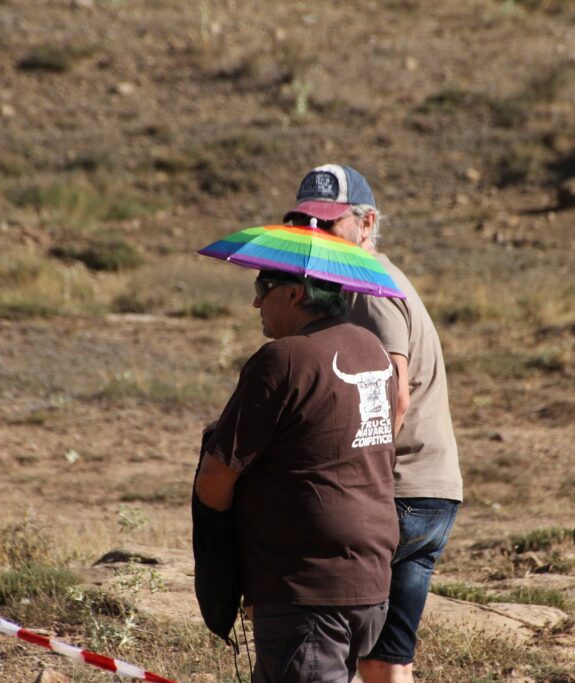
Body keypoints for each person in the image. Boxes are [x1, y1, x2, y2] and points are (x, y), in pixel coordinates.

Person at [283, 165, 463, 683]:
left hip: (398, 492)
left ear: (366, 224)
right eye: (303, 223)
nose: (313, 234)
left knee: (329, 639)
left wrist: (354, 480)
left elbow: (393, 395)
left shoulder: (364, 285)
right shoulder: (369, 277)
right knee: (386, 661)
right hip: (430, 489)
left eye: (327, 223)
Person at [195, 268, 400, 683]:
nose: (256, 302)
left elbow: (214, 479)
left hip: (305, 588)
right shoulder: (373, 349)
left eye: (262, 289)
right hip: (370, 578)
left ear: (294, 293)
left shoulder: (284, 358)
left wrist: (228, 558)